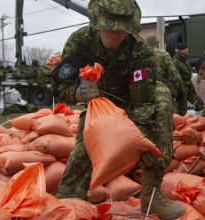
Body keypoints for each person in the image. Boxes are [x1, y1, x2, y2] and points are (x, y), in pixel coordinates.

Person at [51, 0, 185, 218]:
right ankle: (68, 202)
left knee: (161, 101)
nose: (115, 32)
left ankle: (152, 194)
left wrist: (135, 140)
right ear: (97, 22)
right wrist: (79, 93)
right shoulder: (81, 43)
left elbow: (144, 99)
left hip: (133, 102)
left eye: (121, 27)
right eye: (109, 25)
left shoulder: (140, 51)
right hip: (99, 108)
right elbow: (58, 86)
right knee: (85, 150)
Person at [144, 34, 187, 115]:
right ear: (156, 43)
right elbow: (175, 75)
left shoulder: (141, 55)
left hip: (145, 92)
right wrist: (180, 91)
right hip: (164, 92)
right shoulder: (163, 54)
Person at [172, 42, 205, 112]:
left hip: (189, 87)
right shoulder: (175, 62)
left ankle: (200, 120)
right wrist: (179, 90)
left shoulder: (184, 60)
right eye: (186, 49)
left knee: (200, 104)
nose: (188, 50)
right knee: (181, 111)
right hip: (181, 89)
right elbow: (174, 77)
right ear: (181, 52)